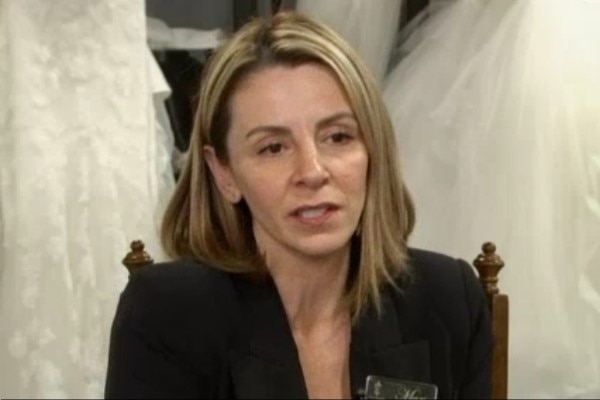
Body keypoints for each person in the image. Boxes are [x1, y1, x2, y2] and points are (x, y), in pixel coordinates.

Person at [105, 11, 492, 399]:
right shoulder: (171, 314)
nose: (312, 171)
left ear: (373, 148)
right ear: (224, 173)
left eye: (338, 137)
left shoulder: (447, 300)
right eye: (273, 147)